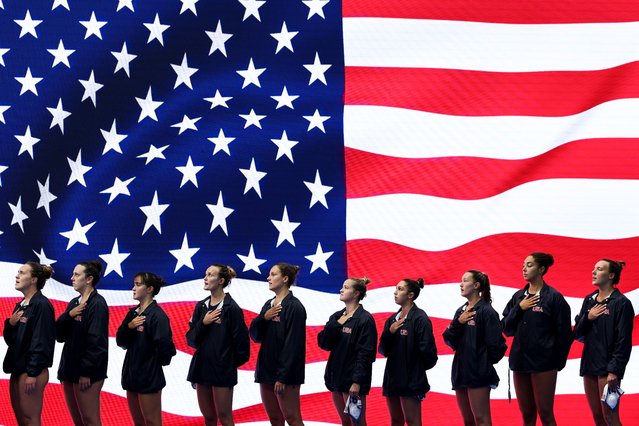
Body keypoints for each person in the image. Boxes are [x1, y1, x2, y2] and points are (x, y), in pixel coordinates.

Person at [502, 252, 573, 426]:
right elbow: (506, 328)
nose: (524, 268)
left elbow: (565, 334)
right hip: (520, 362)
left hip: (545, 363)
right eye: (523, 265)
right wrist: (519, 308)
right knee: (527, 414)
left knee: (545, 413)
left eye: (529, 265)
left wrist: (557, 361)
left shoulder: (554, 297)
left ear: (541, 269)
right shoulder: (518, 297)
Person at [186, 264, 250, 426]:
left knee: (225, 416)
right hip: (201, 370)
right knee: (208, 417)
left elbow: (242, 346)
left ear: (221, 280)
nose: (205, 278)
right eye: (205, 274)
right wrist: (203, 323)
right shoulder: (201, 306)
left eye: (210, 275)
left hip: (223, 371)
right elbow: (191, 340)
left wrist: (227, 364)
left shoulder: (232, 308)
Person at [574, 259, 634, 426]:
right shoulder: (589, 300)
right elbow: (577, 333)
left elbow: (623, 341)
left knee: (610, 417)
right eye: (594, 268)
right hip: (589, 365)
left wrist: (614, 370)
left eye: (599, 269)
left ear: (611, 275)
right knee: (598, 418)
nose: (594, 272)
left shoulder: (622, 303)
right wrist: (588, 317)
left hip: (608, 368)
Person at [443, 270, 507, 426]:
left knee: (481, 419)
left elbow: (497, 346)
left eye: (465, 280)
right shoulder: (461, 311)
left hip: (478, 372)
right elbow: (449, 340)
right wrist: (458, 322)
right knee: (468, 420)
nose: (461, 284)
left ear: (476, 285)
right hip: (460, 371)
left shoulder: (487, 311)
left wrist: (481, 362)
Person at [249, 263, 307, 426]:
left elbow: (293, 346)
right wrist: (263, 318)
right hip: (266, 370)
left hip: (286, 374)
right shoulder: (269, 304)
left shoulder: (295, 307)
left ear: (285, 279)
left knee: (292, 417)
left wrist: (282, 377)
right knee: (274, 418)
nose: (268, 278)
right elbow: (255, 335)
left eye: (273, 274)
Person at [116, 272, 177, 426]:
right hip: (131, 376)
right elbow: (120, 341)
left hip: (149, 377)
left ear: (149, 289)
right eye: (134, 284)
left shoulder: (157, 316)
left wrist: (152, 365)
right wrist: (129, 327)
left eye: (137, 284)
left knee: (152, 421)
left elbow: (165, 347)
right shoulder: (133, 314)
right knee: (138, 422)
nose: (133, 288)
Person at [318, 277, 378, 426]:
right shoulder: (338, 316)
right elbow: (323, 343)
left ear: (356, 293)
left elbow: (366, 354)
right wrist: (337, 324)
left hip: (352, 382)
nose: (341, 290)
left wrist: (356, 382)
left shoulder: (365, 319)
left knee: (357, 421)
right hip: (336, 379)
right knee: (345, 422)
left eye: (346, 287)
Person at [56, 260, 109, 426]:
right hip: (70, 370)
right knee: (78, 420)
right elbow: (59, 335)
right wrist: (69, 315)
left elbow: (96, 341)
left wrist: (87, 371)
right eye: (73, 274)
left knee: (90, 420)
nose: (72, 278)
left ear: (89, 279)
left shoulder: (98, 304)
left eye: (76, 275)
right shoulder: (74, 303)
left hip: (88, 373)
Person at [379, 278, 438, 426]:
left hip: (411, 380)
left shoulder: (420, 318)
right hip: (392, 378)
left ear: (410, 295)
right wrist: (389, 332)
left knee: (412, 421)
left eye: (400, 289)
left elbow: (429, 352)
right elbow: (382, 350)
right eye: (396, 288)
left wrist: (415, 369)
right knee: (396, 421)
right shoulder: (392, 319)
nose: (395, 292)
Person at [3, 262, 56, 426]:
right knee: (21, 420)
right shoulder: (21, 305)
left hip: (31, 371)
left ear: (33, 279)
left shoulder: (42, 305)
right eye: (18, 272)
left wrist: (33, 373)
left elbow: (42, 341)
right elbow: (11, 341)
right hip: (18, 368)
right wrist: (10, 324)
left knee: (30, 419)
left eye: (22, 273)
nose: (17, 275)